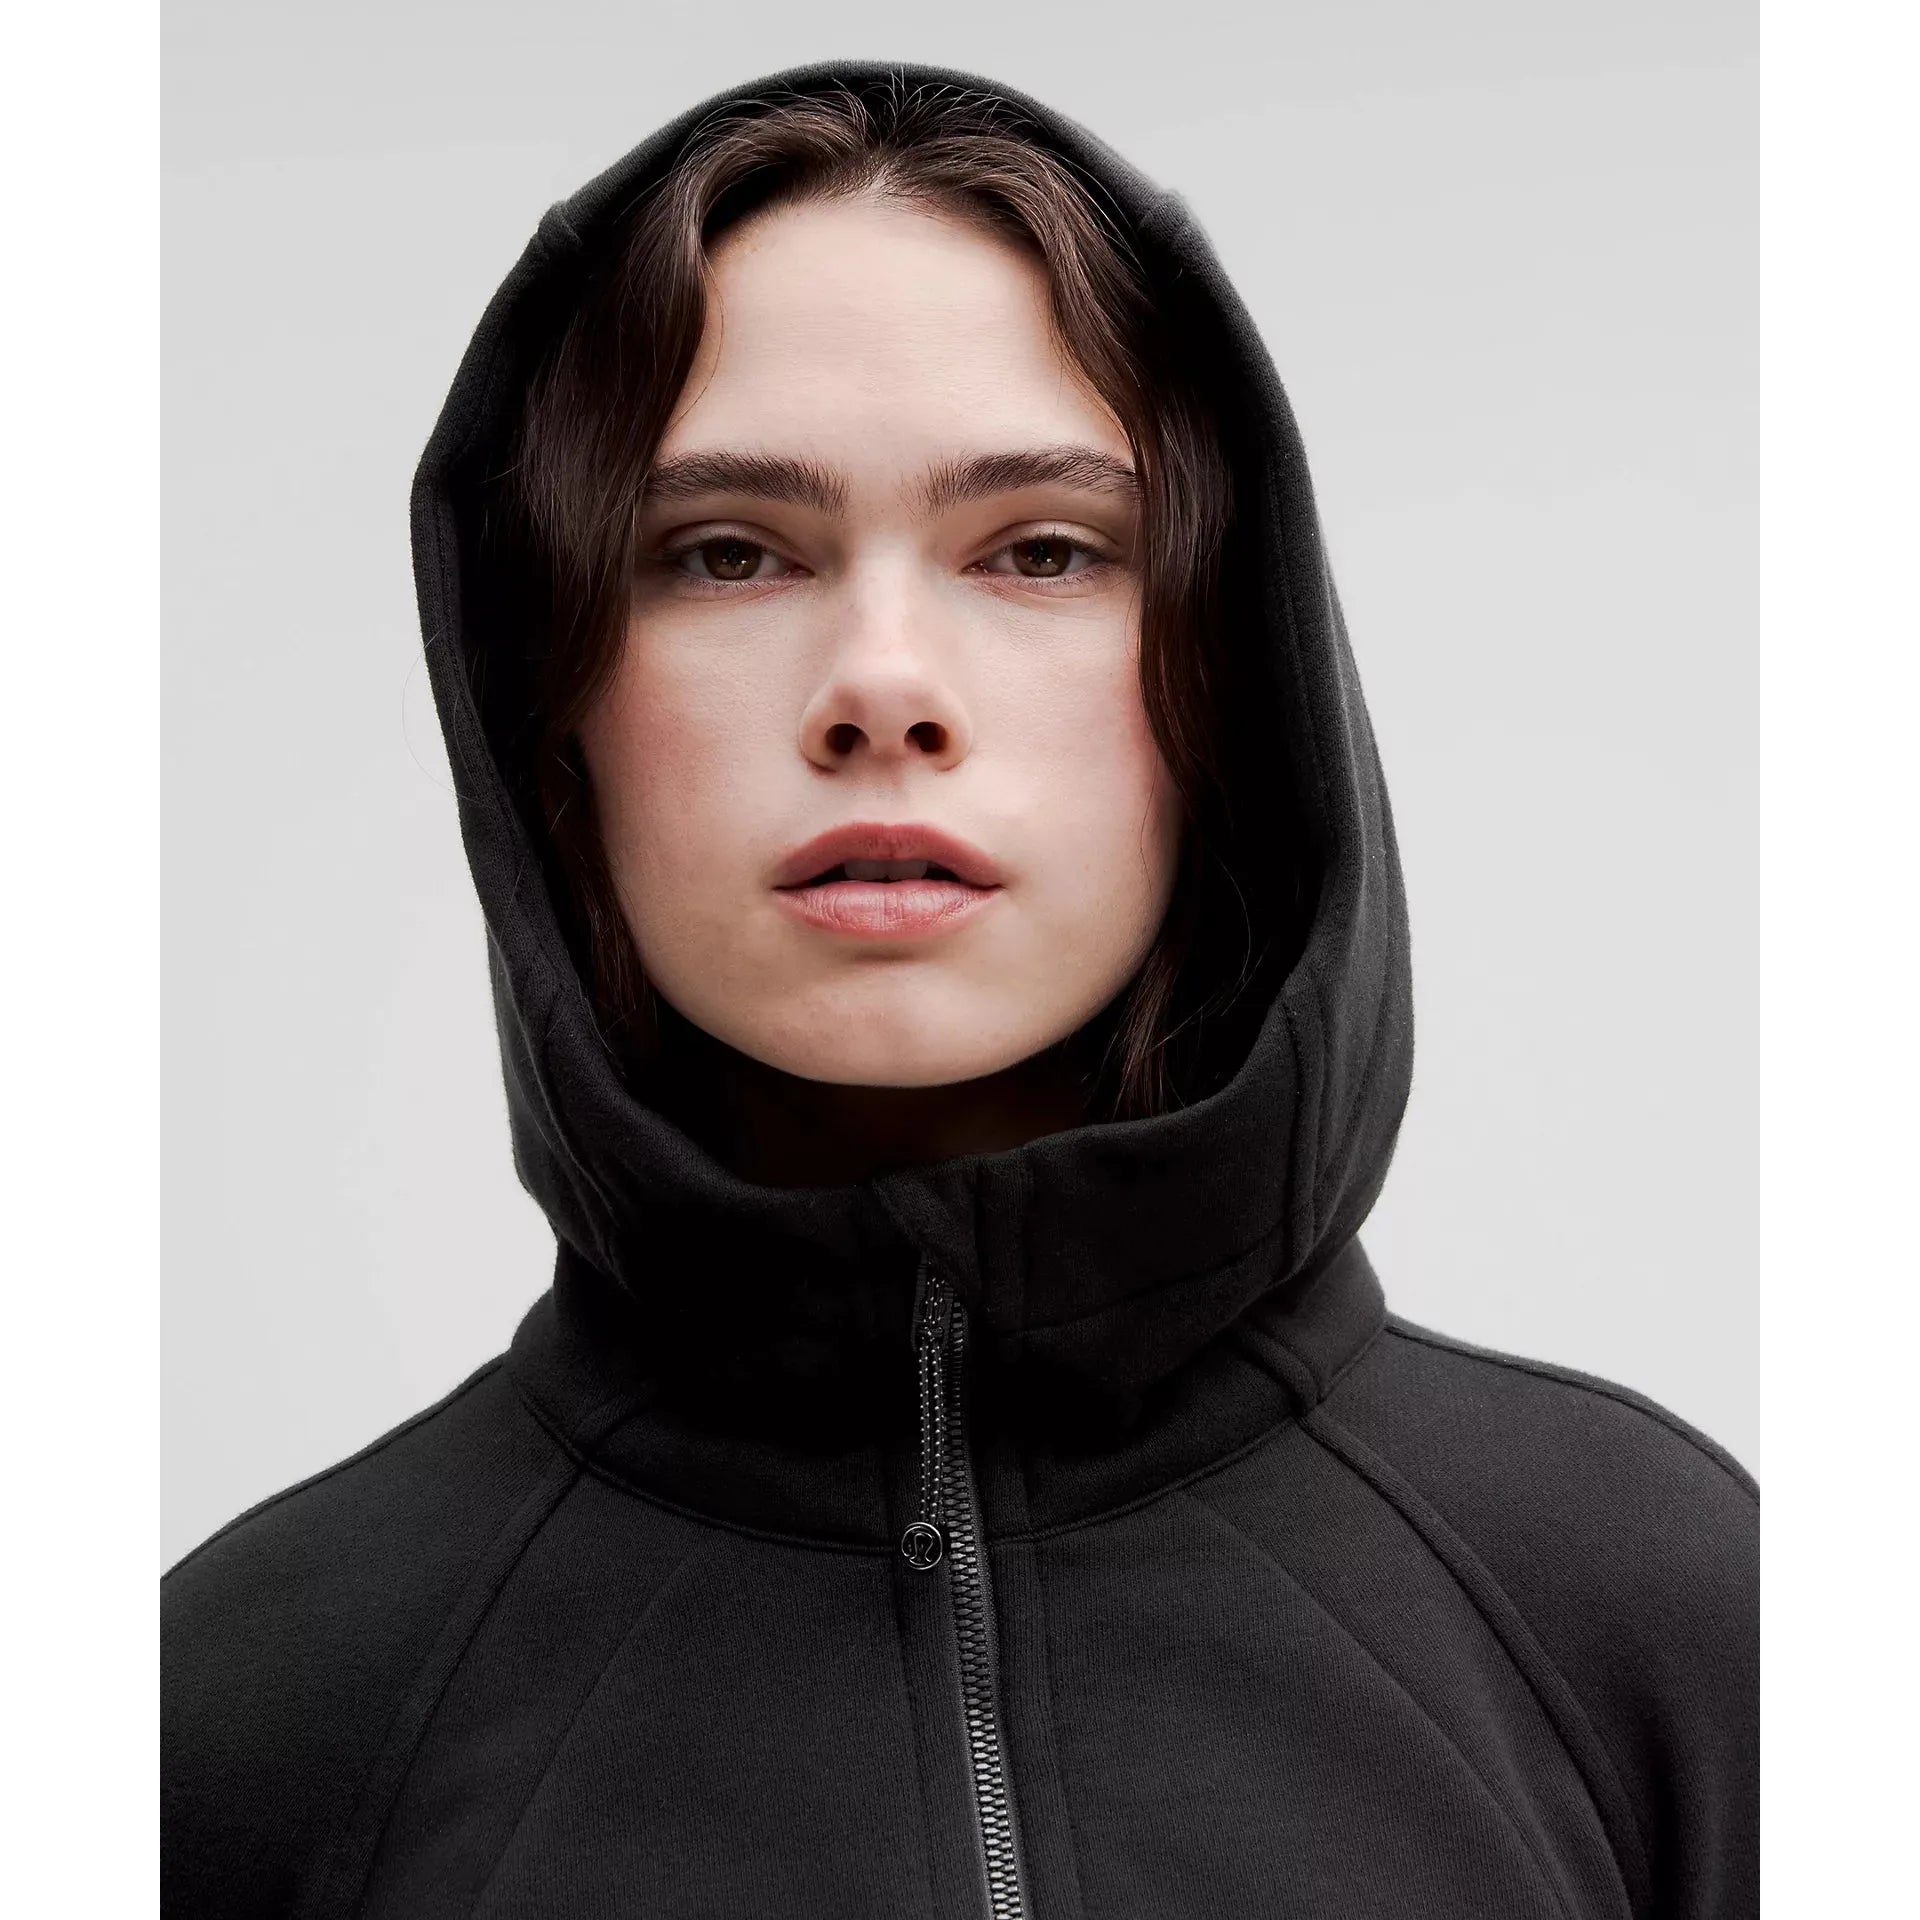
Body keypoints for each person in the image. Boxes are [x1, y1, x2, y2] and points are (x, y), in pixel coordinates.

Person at [162, 59, 1759, 1919]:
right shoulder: (236, 1724)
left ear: (1230, 678)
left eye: (1045, 550)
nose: (883, 687)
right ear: (549, 717)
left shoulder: (1669, 1621)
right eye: (726, 554)